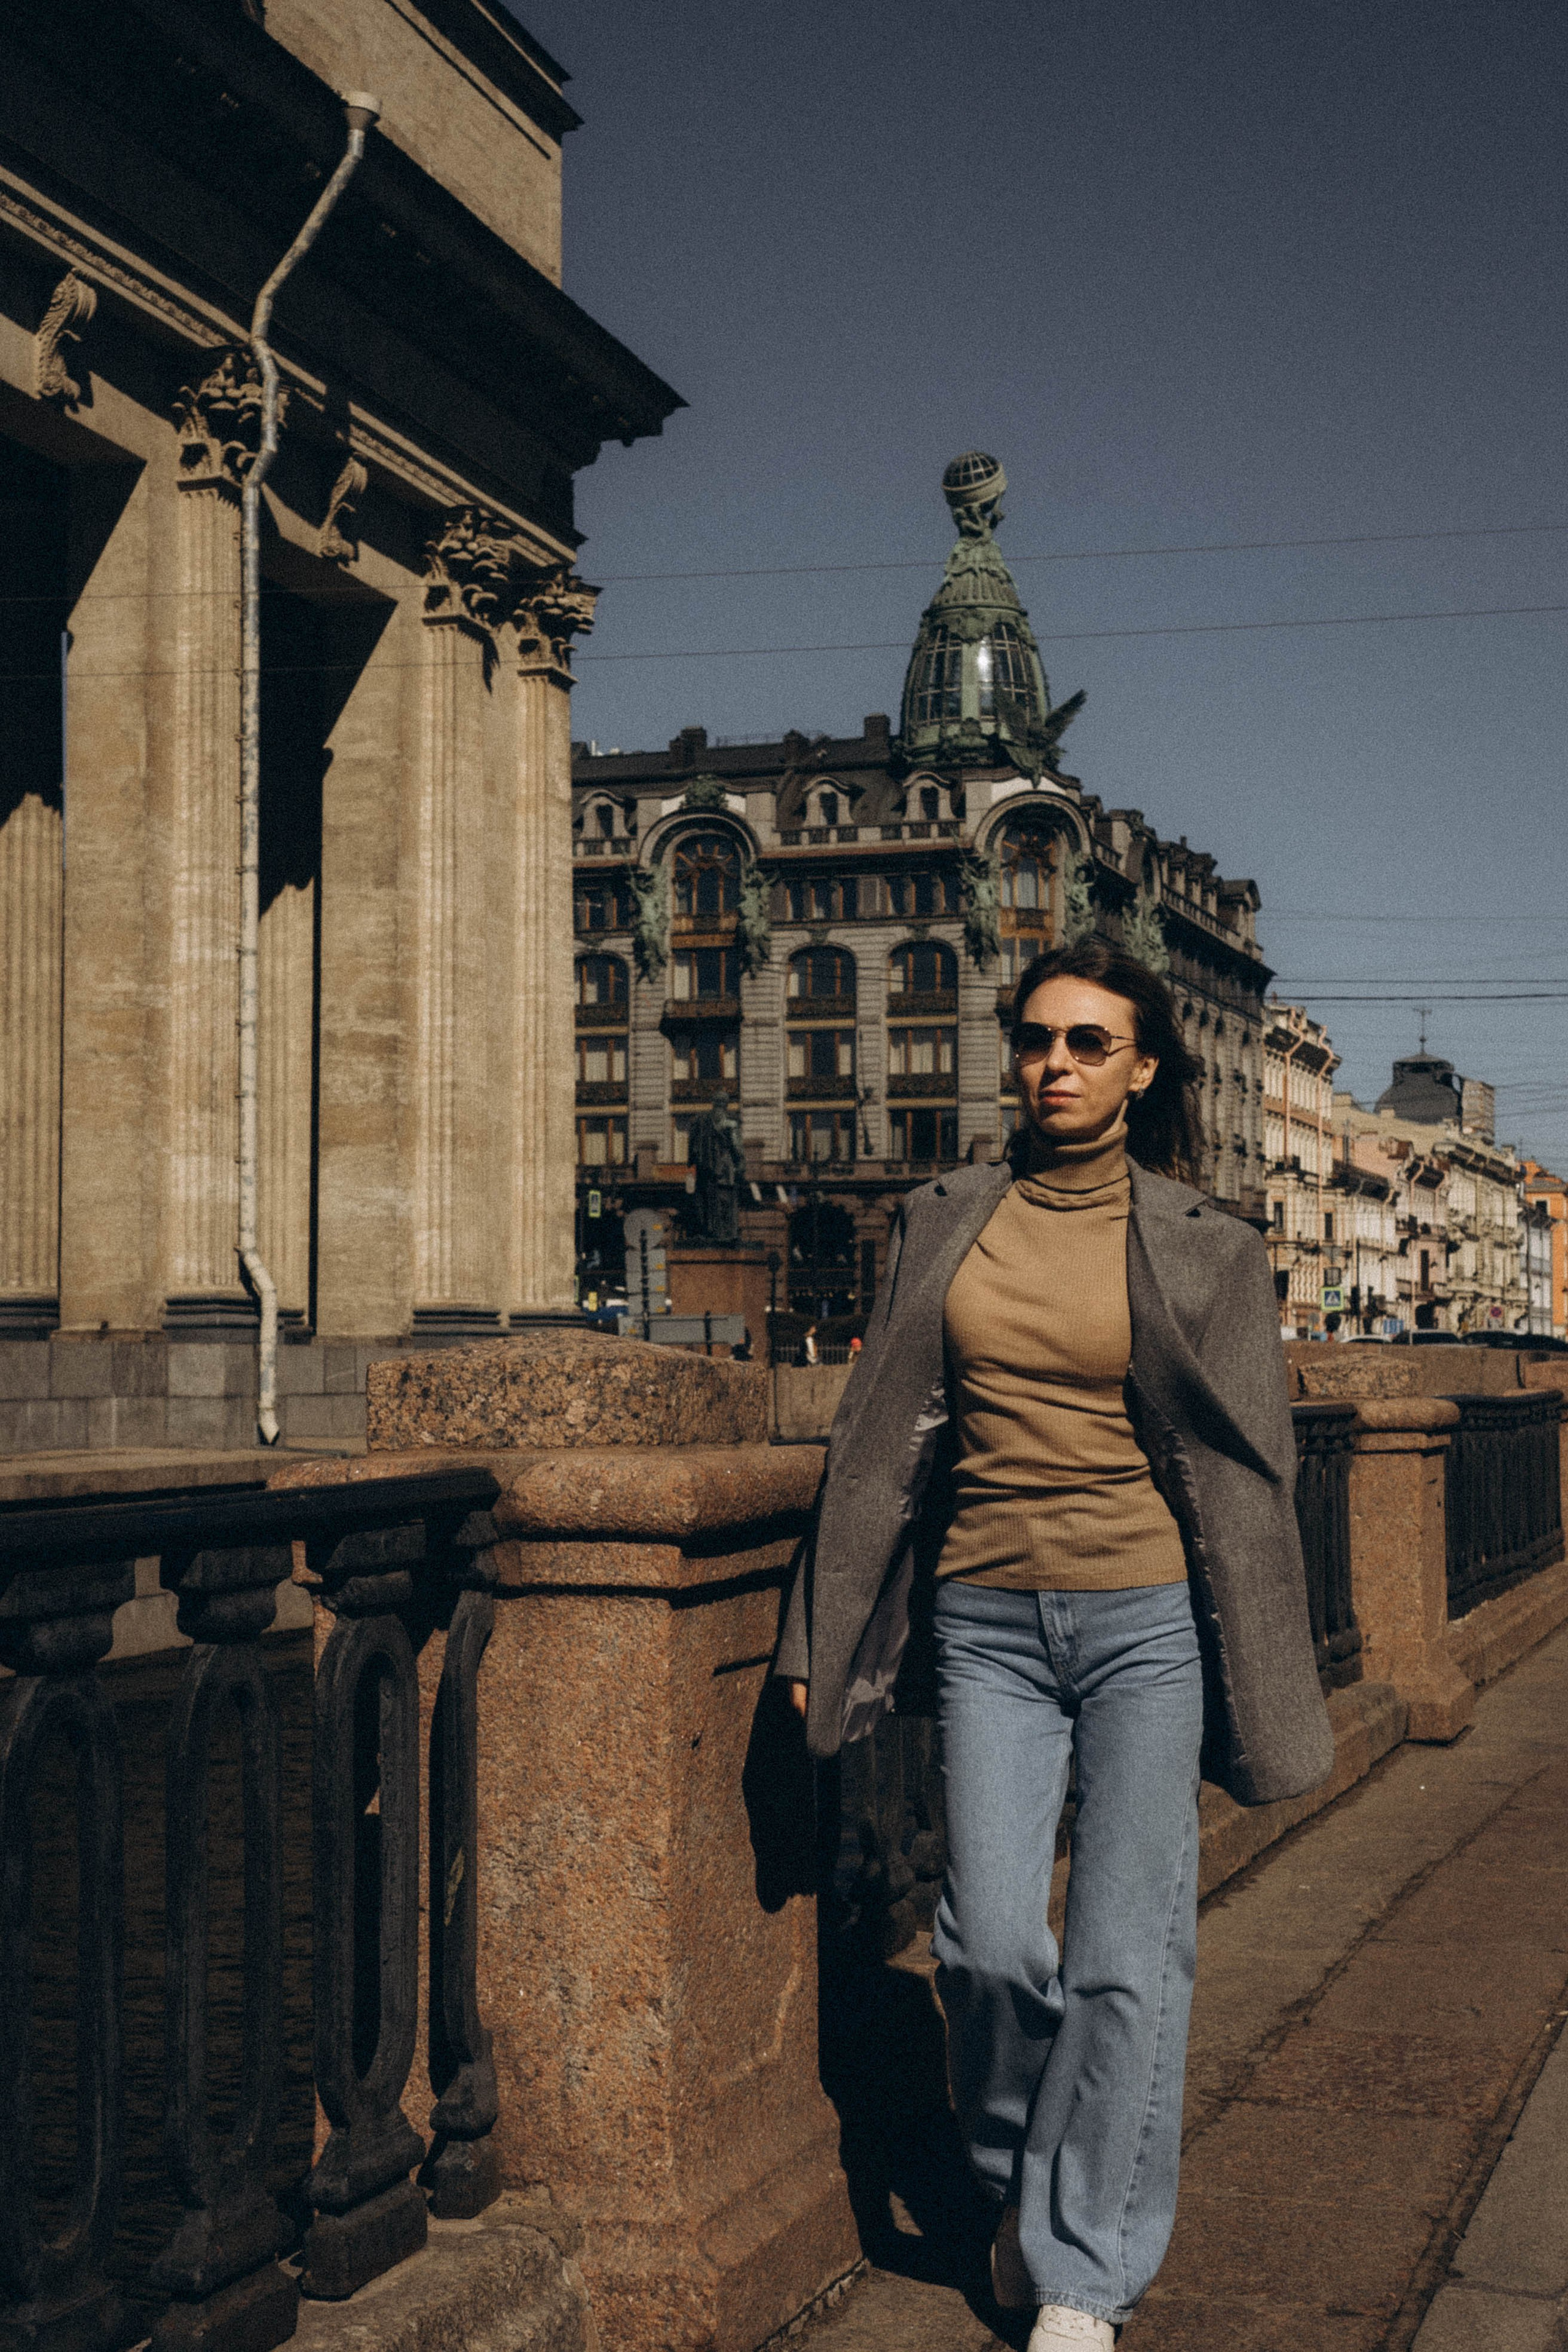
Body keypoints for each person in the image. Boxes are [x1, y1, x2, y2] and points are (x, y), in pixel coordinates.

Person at [775, 939, 1332, 2348]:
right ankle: (1031, 2190)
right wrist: (816, 1631)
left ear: (1140, 1071)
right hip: (982, 1622)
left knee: (1122, 1957)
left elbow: (1253, 1467)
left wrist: (1257, 1655)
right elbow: (868, 1448)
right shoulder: (943, 1217)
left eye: (1089, 1044)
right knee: (986, 1951)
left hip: (1145, 1622)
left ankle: (1085, 2269)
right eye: (1035, 1040)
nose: (1056, 1066)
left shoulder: (1208, 1243)